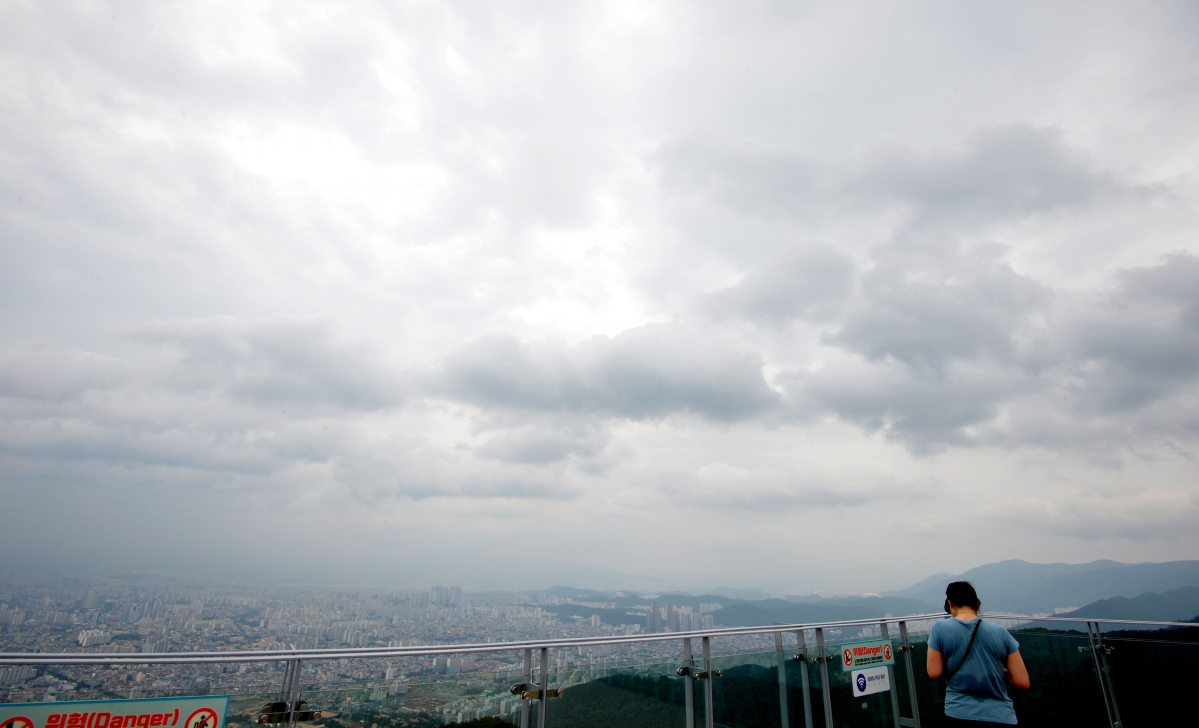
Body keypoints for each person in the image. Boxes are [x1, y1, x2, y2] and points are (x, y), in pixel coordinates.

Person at [927, 581, 1030, 726]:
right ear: (977, 604)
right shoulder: (1001, 632)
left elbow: (934, 672)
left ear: (950, 604)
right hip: (1001, 716)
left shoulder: (939, 628)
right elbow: (1022, 681)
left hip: (959, 712)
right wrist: (995, 670)